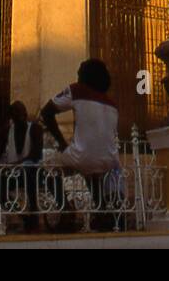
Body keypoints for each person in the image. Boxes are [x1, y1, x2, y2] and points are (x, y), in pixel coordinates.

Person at [40, 59, 121, 232]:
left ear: (85, 75)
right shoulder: (112, 104)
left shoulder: (77, 90)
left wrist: (62, 143)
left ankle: (66, 208)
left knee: (46, 166)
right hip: (108, 160)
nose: (77, 74)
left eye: (79, 72)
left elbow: (46, 112)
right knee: (91, 173)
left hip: (82, 156)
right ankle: (101, 211)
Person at [0, 101, 44, 232]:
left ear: (26, 115)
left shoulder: (35, 129)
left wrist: (17, 165)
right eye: (17, 116)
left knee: (30, 178)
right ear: (12, 117)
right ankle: (22, 214)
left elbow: (36, 154)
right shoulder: (7, 131)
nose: (21, 118)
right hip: (13, 174)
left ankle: (34, 218)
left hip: (32, 172)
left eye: (22, 115)